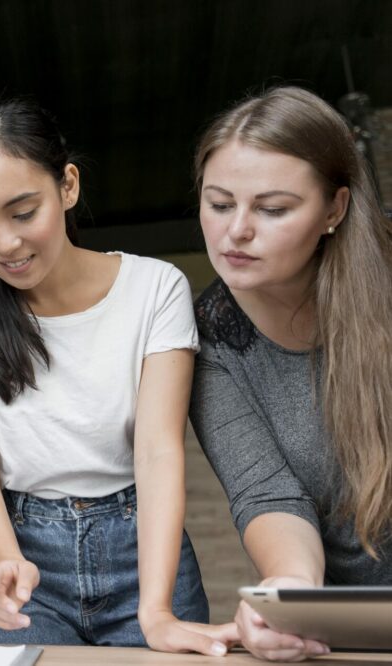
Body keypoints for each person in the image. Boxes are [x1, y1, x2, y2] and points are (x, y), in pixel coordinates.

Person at [0, 99, 238, 654]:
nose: (4, 243)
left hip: (140, 547)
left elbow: (158, 452)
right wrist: (6, 564)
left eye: (23, 213)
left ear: (67, 186)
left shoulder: (154, 289)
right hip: (26, 558)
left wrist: (157, 609)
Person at [190, 86, 392, 661]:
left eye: (273, 209)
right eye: (220, 203)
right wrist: (288, 591)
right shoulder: (210, 339)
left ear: (335, 208)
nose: (237, 231)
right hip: (355, 637)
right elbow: (268, 493)